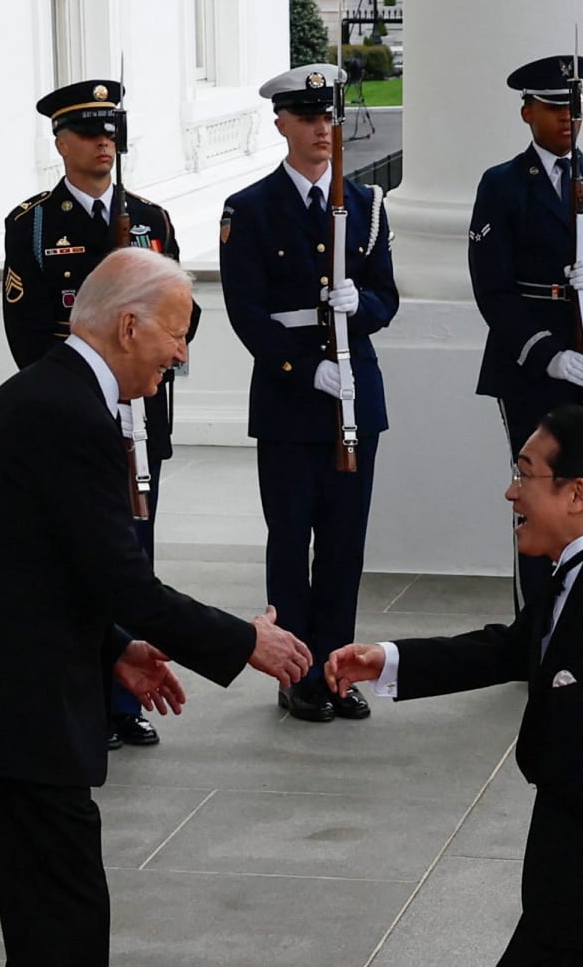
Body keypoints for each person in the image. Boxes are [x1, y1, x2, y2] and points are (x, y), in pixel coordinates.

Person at [0, 248, 313, 966]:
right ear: (129, 327)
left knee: (54, 919)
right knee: (63, 927)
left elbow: (44, 567)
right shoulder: (67, 413)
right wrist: (243, 642)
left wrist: (116, 650)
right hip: (18, 715)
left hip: (8, 706)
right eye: (177, 333)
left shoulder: (50, 395)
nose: (182, 355)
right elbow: (122, 579)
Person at [328, 405, 583, 967]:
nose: (511, 493)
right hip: (576, 879)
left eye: (525, 473)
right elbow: (513, 646)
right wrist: (389, 661)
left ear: (577, 493)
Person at [2, 77, 197, 750]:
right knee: (77, 555)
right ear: (60, 142)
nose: (103, 143)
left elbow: (181, 316)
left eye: (111, 131)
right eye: (89, 132)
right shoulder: (32, 223)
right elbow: (28, 331)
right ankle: (85, 689)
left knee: (133, 556)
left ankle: (124, 698)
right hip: (76, 413)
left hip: (141, 414)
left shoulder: (151, 219)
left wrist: (153, 367)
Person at [219, 63, 398, 723]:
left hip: (355, 396)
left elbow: (387, 295)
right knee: (292, 540)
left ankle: (336, 670)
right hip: (292, 400)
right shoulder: (250, 209)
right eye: (309, 118)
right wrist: (304, 368)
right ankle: (294, 672)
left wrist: (365, 306)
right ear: (282, 124)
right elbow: (247, 312)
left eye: (330, 119)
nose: (323, 130)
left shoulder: (367, 205)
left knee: (346, 544)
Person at [470, 53, 583, 612]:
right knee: (538, 496)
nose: (567, 117)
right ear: (527, 112)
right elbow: (491, 287)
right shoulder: (502, 186)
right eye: (553, 107)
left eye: (574, 107)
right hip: (530, 367)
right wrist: (545, 354)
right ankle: (538, 629)